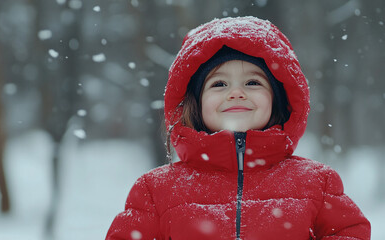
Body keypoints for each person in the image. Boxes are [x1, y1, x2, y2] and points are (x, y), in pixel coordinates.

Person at [106, 16, 371, 240]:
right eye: (219, 84)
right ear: (194, 105)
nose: (236, 93)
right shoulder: (156, 190)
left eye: (253, 83)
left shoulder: (316, 182)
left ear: (277, 101)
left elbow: (350, 233)